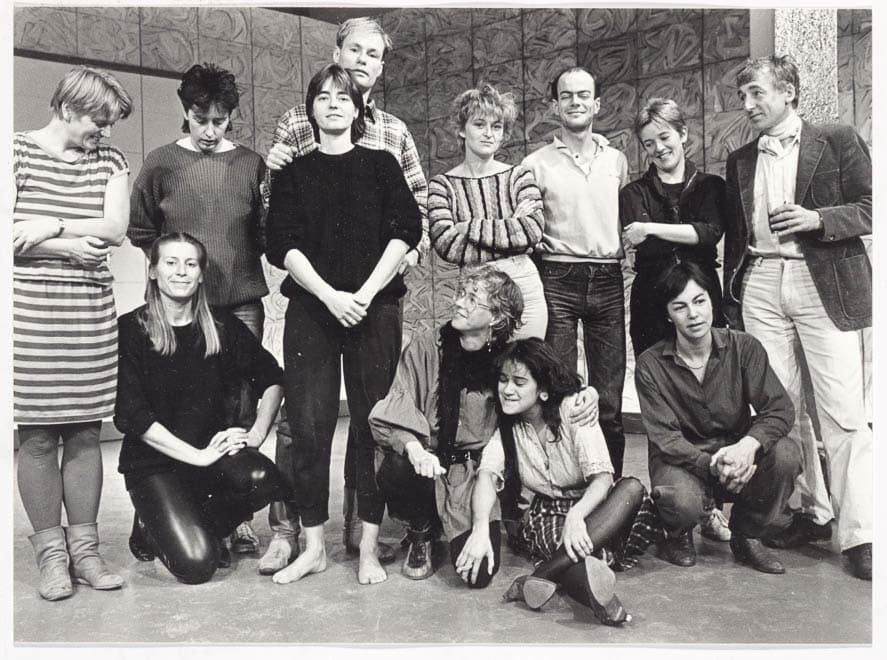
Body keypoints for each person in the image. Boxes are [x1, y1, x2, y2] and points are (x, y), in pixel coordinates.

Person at [260, 16, 429, 573]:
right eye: (323, 97)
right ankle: (309, 545)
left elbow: (408, 228)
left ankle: (367, 545)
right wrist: (331, 295)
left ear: (359, 109)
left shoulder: (384, 158)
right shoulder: (292, 169)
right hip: (313, 308)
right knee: (307, 426)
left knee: (371, 423)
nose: (333, 103)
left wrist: (365, 292)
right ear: (309, 110)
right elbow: (279, 241)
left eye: (342, 98)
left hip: (374, 308)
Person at [723, 55, 872, 580]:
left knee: (842, 411)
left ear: (787, 91)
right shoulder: (740, 159)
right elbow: (737, 236)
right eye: (742, 96)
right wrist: (733, 295)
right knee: (781, 409)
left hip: (821, 277)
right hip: (762, 281)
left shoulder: (837, 139)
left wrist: (816, 219)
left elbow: (871, 207)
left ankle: (861, 534)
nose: (748, 105)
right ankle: (812, 512)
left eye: (757, 93)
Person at [369, 266, 599, 584]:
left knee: (477, 575)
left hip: (473, 476)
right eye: (461, 294)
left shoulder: (510, 356)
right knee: (397, 462)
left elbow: (553, 382)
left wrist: (589, 393)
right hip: (427, 464)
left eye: (472, 298)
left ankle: (468, 523)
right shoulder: (427, 346)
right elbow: (396, 406)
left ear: (496, 317)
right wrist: (415, 450)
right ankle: (421, 530)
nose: (458, 302)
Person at [127, 62, 269, 556]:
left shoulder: (251, 164)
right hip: (179, 309)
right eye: (199, 119)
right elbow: (141, 228)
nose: (209, 131)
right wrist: (175, 275)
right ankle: (163, 507)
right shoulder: (161, 162)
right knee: (179, 407)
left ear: (231, 116)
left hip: (240, 304)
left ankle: (235, 515)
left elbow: (265, 232)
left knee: (238, 408)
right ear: (185, 112)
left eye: (220, 120)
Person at [13, 66, 133, 601]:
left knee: (85, 433)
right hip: (30, 313)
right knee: (39, 436)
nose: (105, 133)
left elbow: (115, 229)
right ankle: (51, 558)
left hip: (88, 310)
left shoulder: (110, 161)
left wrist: (50, 225)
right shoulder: (15, 152)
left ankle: (86, 554)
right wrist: (65, 246)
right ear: (66, 109)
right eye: (98, 122)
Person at [114, 233, 288, 585]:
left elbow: (272, 378)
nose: (181, 272)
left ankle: (196, 524)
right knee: (197, 566)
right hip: (155, 465)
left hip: (210, 455)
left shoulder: (222, 326)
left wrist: (256, 434)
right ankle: (149, 524)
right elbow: (134, 415)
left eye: (190, 264)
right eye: (171, 263)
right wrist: (198, 456)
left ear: (201, 274)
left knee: (261, 478)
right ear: (153, 271)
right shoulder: (131, 329)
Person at [636, 261, 801, 574]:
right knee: (681, 501)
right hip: (683, 460)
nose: (693, 314)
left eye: (699, 301)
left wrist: (747, 446)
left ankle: (747, 535)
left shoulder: (745, 347)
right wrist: (711, 464)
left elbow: (779, 409)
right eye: (680, 307)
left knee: (787, 454)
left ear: (711, 301)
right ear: (668, 315)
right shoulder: (650, 364)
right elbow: (665, 438)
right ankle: (678, 533)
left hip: (735, 454)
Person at [467, 338, 645, 626]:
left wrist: (577, 516)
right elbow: (486, 475)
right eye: (503, 380)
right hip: (550, 511)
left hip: (596, 505)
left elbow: (603, 479)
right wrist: (479, 529)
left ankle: (540, 576)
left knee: (632, 488)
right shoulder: (508, 428)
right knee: (577, 554)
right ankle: (602, 601)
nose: (507, 390)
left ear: (544, 390)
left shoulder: (575, 409)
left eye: (519, 382)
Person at [619, 97, 731, 544]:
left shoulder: (712, 186)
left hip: (702, 300)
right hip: (651, 304)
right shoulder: (633, 193)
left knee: (709, 403)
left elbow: (709, 233)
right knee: (662, 407)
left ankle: (711, 508)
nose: (658, 148)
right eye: (648, 143)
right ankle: (676, 517)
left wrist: (651, 228)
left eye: (664, 137)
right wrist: (663, 234)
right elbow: (644, 244)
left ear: (683, 134)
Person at [522, 66, 630, 478]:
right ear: (554, 106)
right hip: (557, 278)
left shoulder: (616, 160)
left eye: (583, 95)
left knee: (609, 399)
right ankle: (566, 488)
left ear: (596, 104)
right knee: (561, 392)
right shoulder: (535, 164)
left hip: (607, 278)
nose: (575, 102)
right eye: (566, 95)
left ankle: (612, 490)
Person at [429, 83, 546, 339]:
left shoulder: (519, 176)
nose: (489, 134)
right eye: (479, 124)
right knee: (481, 362)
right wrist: (510, 228)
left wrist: (469, 227)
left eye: (497, 126)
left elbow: (532, 230)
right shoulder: (442, 185)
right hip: (474, 290)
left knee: (526, 360)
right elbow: (448, 245)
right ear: (462, 129)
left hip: (523, 285)